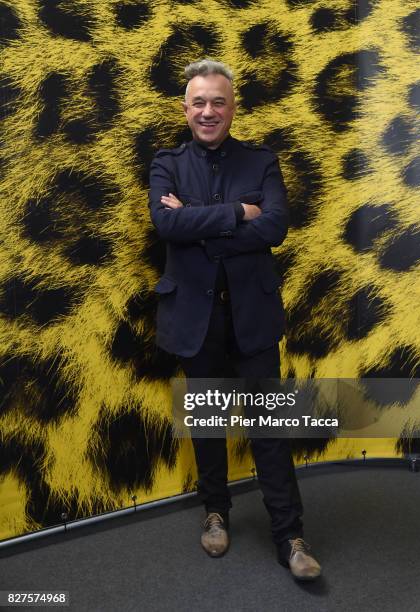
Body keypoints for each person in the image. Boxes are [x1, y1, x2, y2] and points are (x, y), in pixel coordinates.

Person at [148, 59, 321, 581]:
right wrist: (235, 214)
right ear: (185, 108)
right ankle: (215, 513)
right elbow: (164, 224)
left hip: (254, 316)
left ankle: (290, 537)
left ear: (232, 106)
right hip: (194, 319)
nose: (208, 111)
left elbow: (274, 229)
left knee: (270, 428)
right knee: (207, 423)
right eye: (198, 102)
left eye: (217, 101)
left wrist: (195, 221)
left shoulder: (261, 160)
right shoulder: (166, 162)